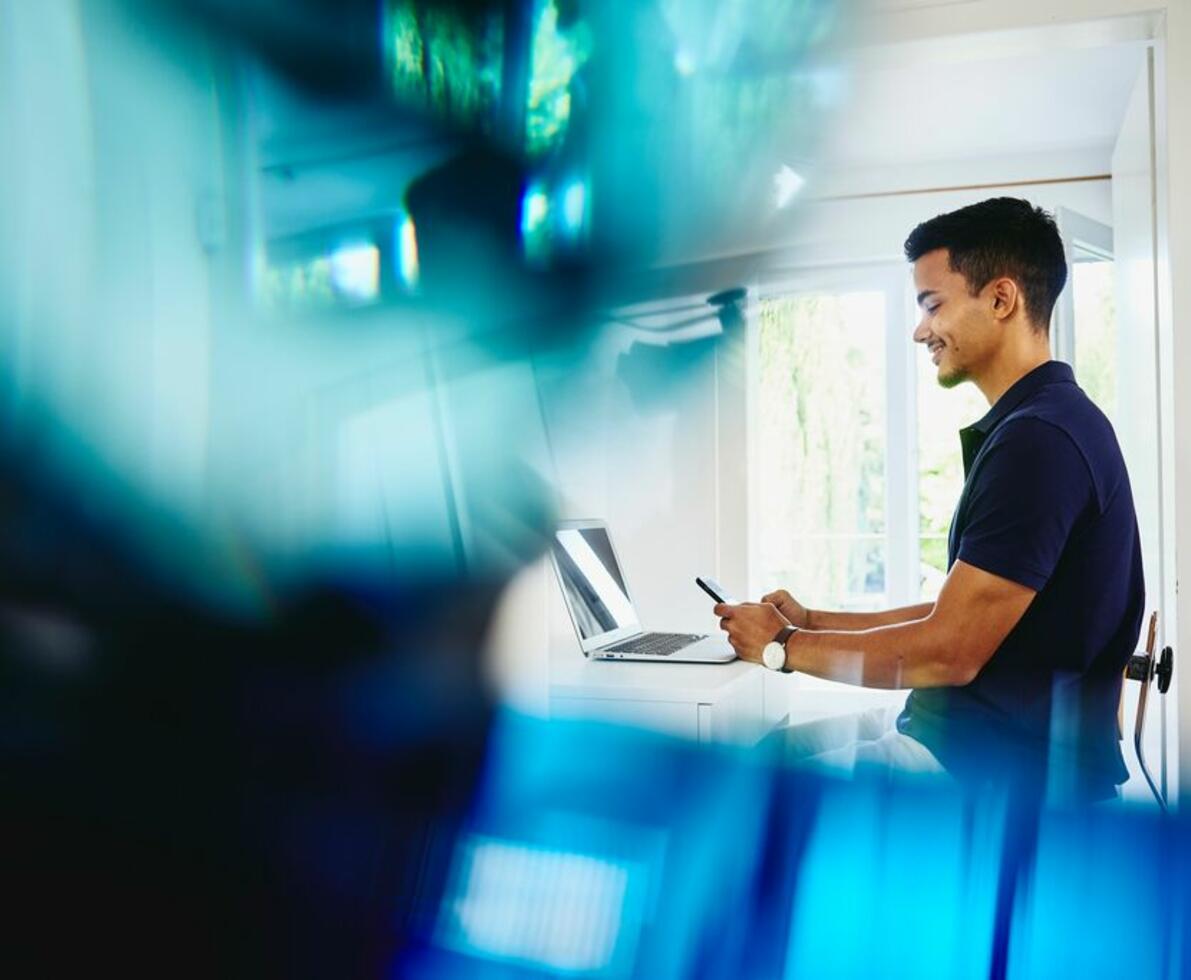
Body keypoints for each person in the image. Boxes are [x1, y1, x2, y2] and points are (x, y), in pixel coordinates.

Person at [716, 197, 1144, 802]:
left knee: (749, 793)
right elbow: (957, 613)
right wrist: (811, 622)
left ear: (1001, 299)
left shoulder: (1039, 442)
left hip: (985, 769)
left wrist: (780, 648)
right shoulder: (1044, 424)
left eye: (931, 304)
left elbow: (948, 653)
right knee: (770, 755)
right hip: (961, 738)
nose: (920, 330)